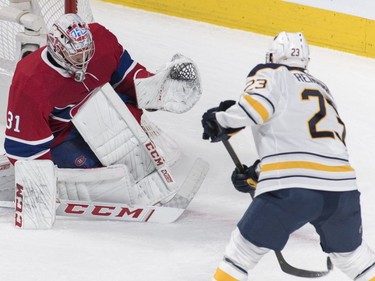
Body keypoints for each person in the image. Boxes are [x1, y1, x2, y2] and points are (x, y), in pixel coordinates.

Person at [201, 31, 375, 281]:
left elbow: (255, 108)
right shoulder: (322, 88)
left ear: (273, 55)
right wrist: (257, 174)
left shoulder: (272, 73)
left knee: (241, 252)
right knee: (354, 259)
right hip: (342, 190)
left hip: (292, 189)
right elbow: (313, 148)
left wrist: (220, 121)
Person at [3, 13, 201, 205]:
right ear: (57, 49)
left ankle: (144, 180)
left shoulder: (101, 40)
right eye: (76, 54)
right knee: (100, 175)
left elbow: (126, 78)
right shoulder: (31, 80)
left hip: (96, 117)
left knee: (129, 144)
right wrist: (40, 187)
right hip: (60, 137)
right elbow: (24, 147)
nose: (83, 59)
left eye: (86, 51)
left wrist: (156, 91)